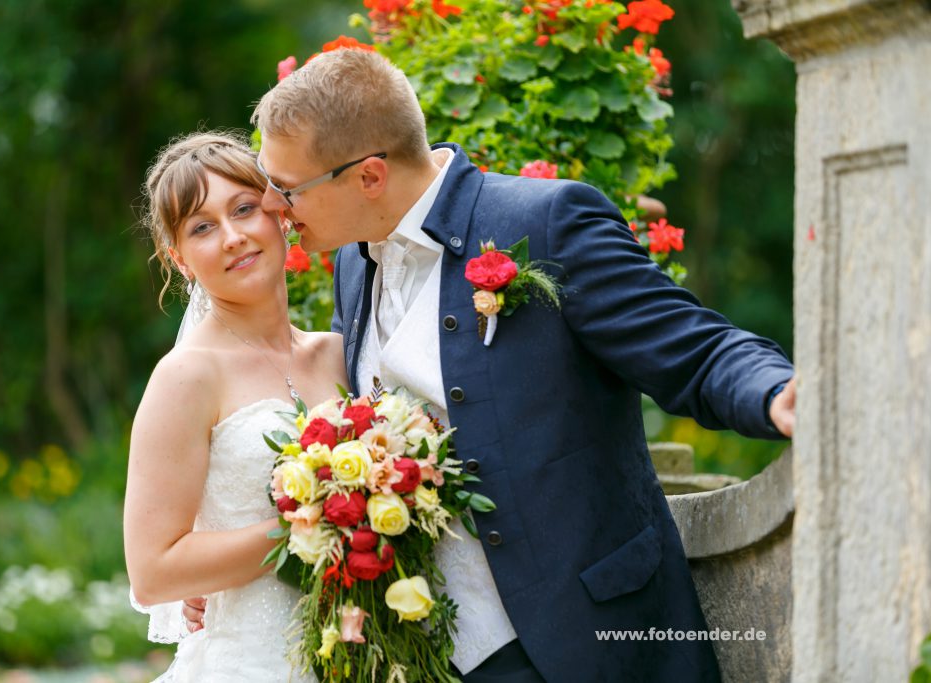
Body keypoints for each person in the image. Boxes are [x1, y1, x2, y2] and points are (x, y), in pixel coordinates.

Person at [188, 49, 797, 681]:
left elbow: (691, 346)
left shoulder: (546, 223)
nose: (272, 205)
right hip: (438, 650)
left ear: (369, 176)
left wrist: (778, 393)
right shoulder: (351, 261)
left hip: (590, 639)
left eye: (286, 188)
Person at [124, 131, 347, 682]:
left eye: (245, 209)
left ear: (280, 215)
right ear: (179, 259)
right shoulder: (186, 377)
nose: (232, 237)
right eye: (202, 227)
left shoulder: (341, 353)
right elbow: (153, 571)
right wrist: (318, 525)